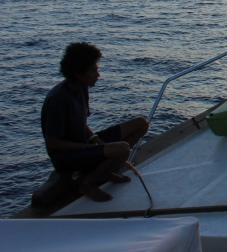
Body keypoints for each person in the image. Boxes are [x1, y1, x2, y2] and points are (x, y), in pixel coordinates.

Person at [41, 42, 149, 202]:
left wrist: (97, 141)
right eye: (94, 70)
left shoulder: (82, 88)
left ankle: (104, 171)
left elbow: (81, 124)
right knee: (122, 149)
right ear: (79, 73)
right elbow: (53, 143)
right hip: (67, 157)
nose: (98, 75)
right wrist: (91, 147)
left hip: (84, 144)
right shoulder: (58, 99)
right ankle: (87, 184)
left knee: (141, 124)